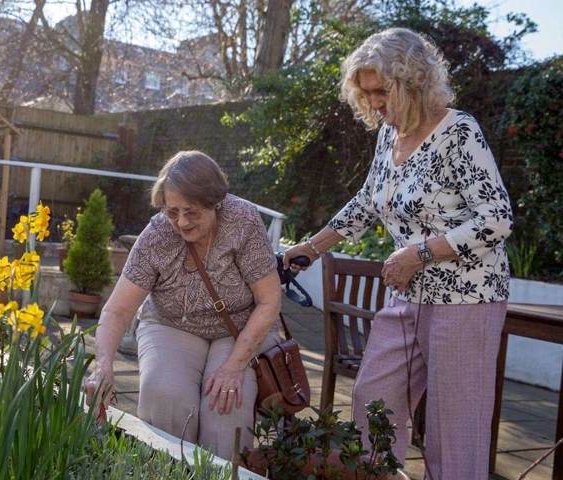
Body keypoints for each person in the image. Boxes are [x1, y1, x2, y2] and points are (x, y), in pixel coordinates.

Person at [283, 28, 513, 479]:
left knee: (455, 429)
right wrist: (310, 247)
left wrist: (420, 254)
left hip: (467, 301)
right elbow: (368, 201)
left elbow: (496, 218)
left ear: (414, 83)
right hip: (406, 297)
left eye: (381, 90)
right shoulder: (387, 139)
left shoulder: (459, 132)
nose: (372, 103)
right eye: (364, 93)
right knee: (373, 402)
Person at [84, 151, 283, 460]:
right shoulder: (157, 235)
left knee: (226, 407)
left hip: (240, 326)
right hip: (171, 323)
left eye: (191, 211)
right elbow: (117, 310)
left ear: (215, 201)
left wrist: (233, 366)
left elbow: (269, 300)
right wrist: (103, 365)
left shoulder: (242, 220)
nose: (181, 222)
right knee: (166, 397)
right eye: (172, 210)